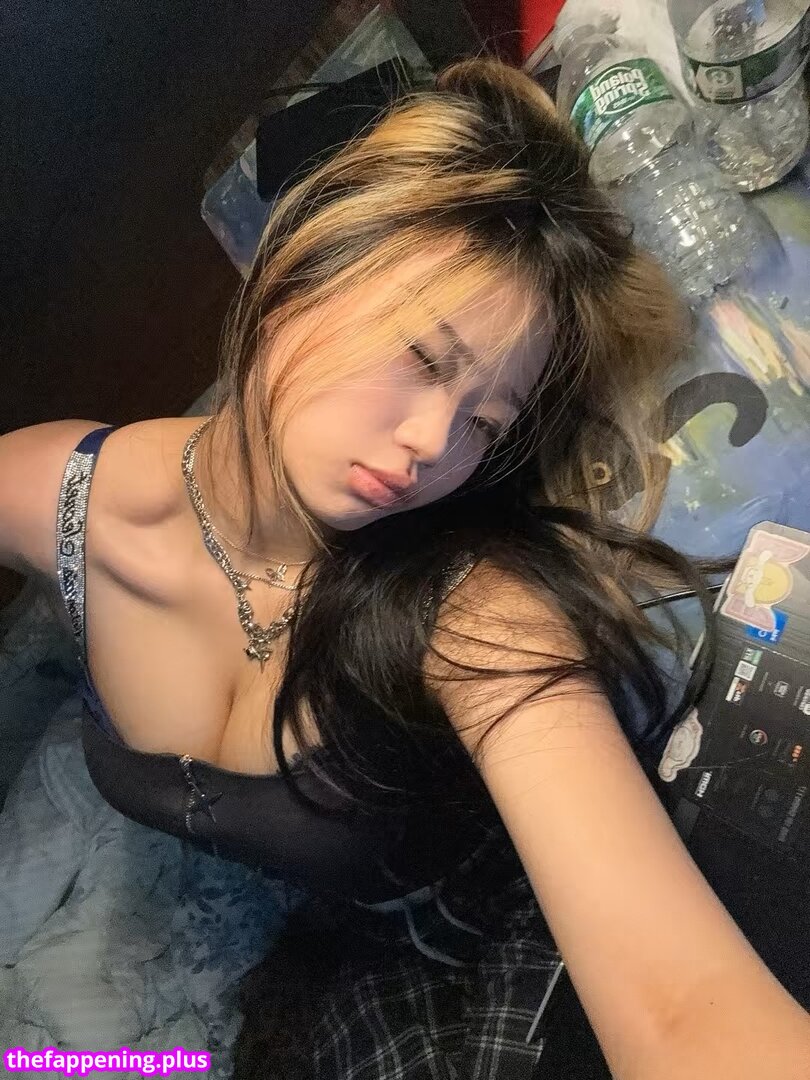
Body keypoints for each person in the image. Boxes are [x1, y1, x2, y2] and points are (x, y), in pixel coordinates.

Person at [1, 55, 808, 1079]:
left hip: (468, 943)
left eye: (486, 422)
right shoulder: (51, 494)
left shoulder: (477, 609)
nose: (434, 442)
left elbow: (681, 1009)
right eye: (423, 358)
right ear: (304, 260)